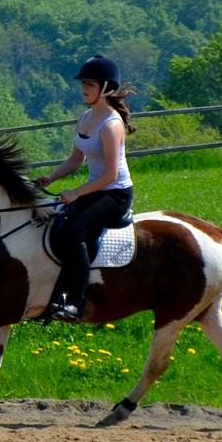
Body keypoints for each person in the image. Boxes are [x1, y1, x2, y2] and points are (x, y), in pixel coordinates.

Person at [34, 54, 135, 322]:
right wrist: (51, 178)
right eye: (84, 84)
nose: (84, 88)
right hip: (97, 189)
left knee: (75, 230)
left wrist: (76, 193)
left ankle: (77, 304)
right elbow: (76, 160)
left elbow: (111, 175)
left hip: (115, 194)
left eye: (90, 84)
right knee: (59, 225)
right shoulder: (85, 118)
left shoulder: (111, 126)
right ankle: (55, 297)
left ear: (105, 88)